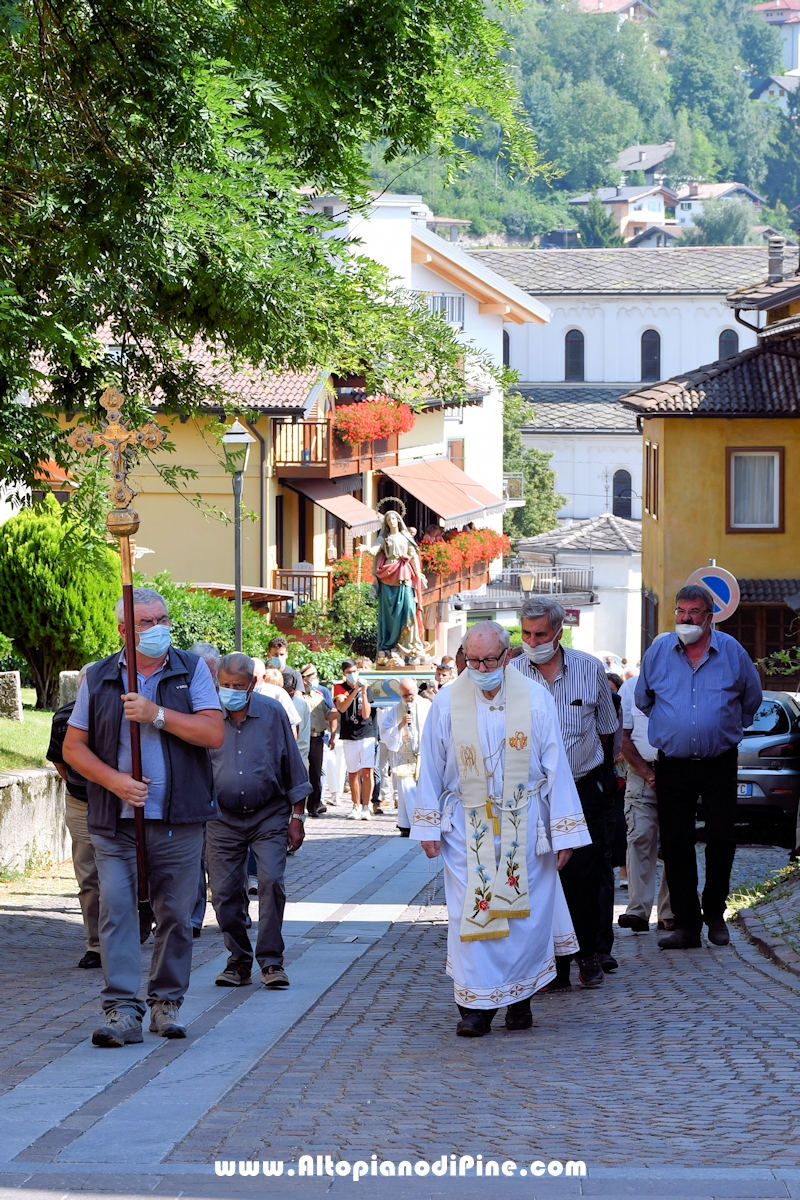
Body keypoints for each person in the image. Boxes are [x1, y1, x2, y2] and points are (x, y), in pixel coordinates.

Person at [63, 587, 224, 1047]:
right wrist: (114, 781)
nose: (158, 629)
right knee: (116, 910)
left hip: (179, 818)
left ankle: (166, 1002)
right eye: (145, 622)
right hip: (115, 821)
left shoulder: (190, 670)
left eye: (162, 619)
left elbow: (212, 732)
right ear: (122, 630)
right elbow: (74, 747)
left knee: (175, 912)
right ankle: (121, 1010)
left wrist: (157, 715)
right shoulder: (98, 677)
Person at [415, 621, 589, 1037]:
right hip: (466, 825)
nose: (478, 668)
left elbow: (555, 763)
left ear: (506, 656)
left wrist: (563, 831)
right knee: (471, 914)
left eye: (487, 660)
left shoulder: (534, 697)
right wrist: (427, 823)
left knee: (520, 918)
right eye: (471, 660)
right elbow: (431, 765)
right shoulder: (447, 701)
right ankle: (475, 1008)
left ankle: (519, 1001)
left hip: (525, 822)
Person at [636, 583, 762, 949]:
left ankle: (715, 914)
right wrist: (675, 727)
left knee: (722, 839)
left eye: (693, 612)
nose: (685, 618)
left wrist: (721, 725)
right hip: (673, 765)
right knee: (675, 843)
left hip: (718, 763)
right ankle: (687, 925)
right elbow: (645, 699)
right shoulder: (659, 651)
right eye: (680, 611)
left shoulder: (732, 653)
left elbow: (750, 699)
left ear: (710, 617)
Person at [510, 597, 618, 990]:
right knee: (539, 875)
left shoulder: (590, 669)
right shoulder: (512, 673)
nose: (532, 640)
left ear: (558, 632)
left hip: (581, 786)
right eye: (525, 633)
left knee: (583, 874)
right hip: (531, 795)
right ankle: (551, 963)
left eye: (540, 633)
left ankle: (588, 952)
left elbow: (607, 730)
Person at [206, 653, 311, 989]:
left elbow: (294, 767)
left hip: (269, 814)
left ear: (252, 684)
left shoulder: (272, 713)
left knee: (271, 882)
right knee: (223, 892)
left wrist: (297, 817)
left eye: (238, 686)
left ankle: (271, 962)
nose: (231, 691)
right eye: (225, 685)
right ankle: (238, 961)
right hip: (221, 818)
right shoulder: (207, 716)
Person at [46, 664, 100, 968]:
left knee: (124, 873)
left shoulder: (118, 712)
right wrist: (78, 785)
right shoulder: (64, 717)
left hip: (119, 803)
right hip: (80, 802)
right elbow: (59, 760)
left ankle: (128, 930)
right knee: (88, 875)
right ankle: (95, 945)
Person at [617, 674, 673, 933]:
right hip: (641, 772)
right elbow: (623, 737)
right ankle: (638, 911)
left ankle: (670, 912)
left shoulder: (684, 685)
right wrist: (648, 774)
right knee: (639, 836)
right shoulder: (631, 688)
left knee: (676, 842)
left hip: (678, 772)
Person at [188, 642, 222, 938]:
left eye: (209, 671)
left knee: (225, 860)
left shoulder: (227, 700)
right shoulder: (182, 699)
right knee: (196, 859)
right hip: (196, 792)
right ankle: (194, 918)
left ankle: (232, 911)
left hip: (227, 795)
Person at [365, 509, 428, 666]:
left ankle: (410, 645)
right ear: (386, 523)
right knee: (389, 613)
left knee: (409, 608)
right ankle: (390, 645)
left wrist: (419, 575)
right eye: (389, 519)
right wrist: (367, 550)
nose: (392, 521)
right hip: (388, 575)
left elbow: (413, 555)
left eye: (394, 518)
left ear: (398, 520)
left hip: (404, 573)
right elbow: (375, 549)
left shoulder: (406, 537)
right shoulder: (384, 538)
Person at [379, 677, 431, 836]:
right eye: (405, 695)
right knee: (407, 789)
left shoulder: (427, 705)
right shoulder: (395, 710)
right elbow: (385, 732)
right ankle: (415, 825)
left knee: (419, 791)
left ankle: (406, 823)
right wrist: (400, 725)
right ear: (400, 694)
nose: (409, 698)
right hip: (404, 756)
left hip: (424, 754)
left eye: (412, 694)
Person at [333, 659, 377, 820]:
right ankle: (356, 805)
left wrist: (363, 692)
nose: (352, 675)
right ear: (344, 674)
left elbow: (366, 714)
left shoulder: (367, 688)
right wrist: (354, 691)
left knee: (367, 771)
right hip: (349, 734)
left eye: (354, 671)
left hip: (366, 733)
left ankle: (366, 806)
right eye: (349, 672)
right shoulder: (339, 688)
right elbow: (342, 707)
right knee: (353, 772)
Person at [300, 663, 334, 817]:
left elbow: (329, 714)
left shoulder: (319, 695)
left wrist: (340, 709)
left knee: (316, 773)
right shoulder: (298, 696)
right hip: (303, 738)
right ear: (304, 680)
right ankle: (300, 804)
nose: (315, 680)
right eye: (312, 678)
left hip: (318, 737)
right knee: (301, 771)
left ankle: (314, 805)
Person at [252, 659, 301, 734]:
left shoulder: (278, 694)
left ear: (263, 677)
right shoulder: (240, 693)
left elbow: (293, 726)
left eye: (255, 678)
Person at [282, 667, 310, 769]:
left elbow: (303, 732)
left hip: (296, 753)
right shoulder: (302, 704)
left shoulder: (300, 705)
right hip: (299, 754)